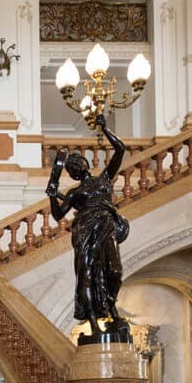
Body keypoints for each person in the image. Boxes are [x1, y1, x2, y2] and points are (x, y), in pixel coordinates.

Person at [45, 113, 130, 338]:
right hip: (84, 231)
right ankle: (94, 322)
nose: (76, 166)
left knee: (115, 270)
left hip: (105, 225)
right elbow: (57, 215)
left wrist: (104, 130)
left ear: (84, 163)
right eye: (72, 166)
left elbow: (120, 150)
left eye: (77, 162)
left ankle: (110, 306)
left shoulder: (104, 179)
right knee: (87, 275)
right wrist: (53, 195)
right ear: (72, 172)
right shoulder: (74, 193)